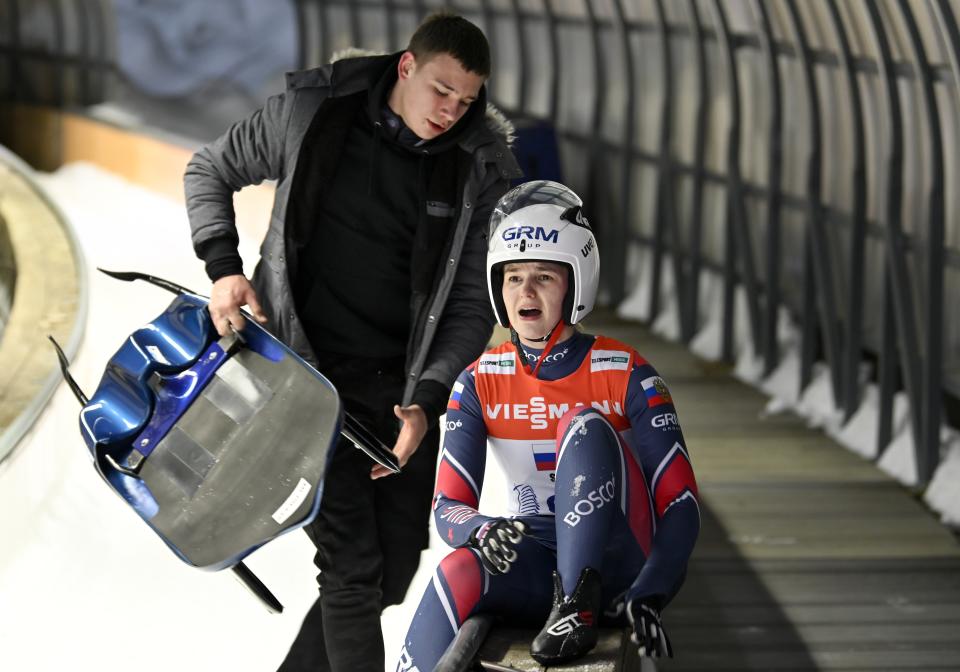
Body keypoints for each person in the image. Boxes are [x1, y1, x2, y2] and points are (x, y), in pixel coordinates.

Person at [183, 12, 521, 672]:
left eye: (466, 100)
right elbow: (209, 168)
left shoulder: (480, 167)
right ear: (405, 66)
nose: (451, 111)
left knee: (393, 571)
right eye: (440, 91)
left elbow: (471, 303)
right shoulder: (313, 113)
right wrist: (224, 267)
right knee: (352, 569)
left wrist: (427, 399)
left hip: (400, 392)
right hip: (303, 380)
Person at [395, 180, 700, 670]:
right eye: (513, 277)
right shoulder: (478, 380)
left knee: (582, 425)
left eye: (544, 277)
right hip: (537, 557)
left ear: (575, 285)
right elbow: (448, 508)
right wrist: (480, 529)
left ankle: (577, 603)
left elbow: (680, 502)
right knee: (458, 569)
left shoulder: (626, 371)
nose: (526, 292)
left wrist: (652, 591)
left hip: (619, 569)